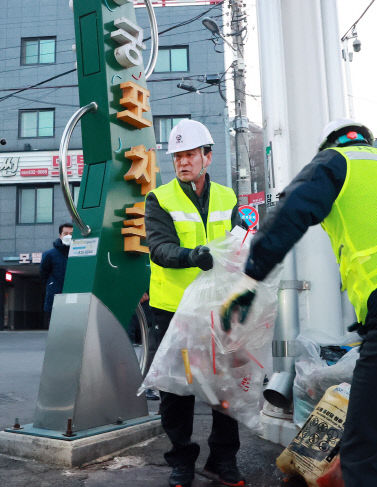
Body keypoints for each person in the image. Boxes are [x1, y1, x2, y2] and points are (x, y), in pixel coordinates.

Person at [220, 119, 377, 487]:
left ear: (329, 144)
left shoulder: (336, 161)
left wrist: (251, 277)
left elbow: (290, 212)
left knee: (366, 455)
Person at [145, 119, 247, 487]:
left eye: (190, 154)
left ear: (208, 156)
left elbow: (240, 240)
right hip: (173, 308)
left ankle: (223, 460)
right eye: (177, 156)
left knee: (225, 386)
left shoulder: (229, 197)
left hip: (219, 306)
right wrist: (193, 255)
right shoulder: (159, 198)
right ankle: (182, 461)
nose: (183, 162)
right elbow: (159, 247)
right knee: (176, 389)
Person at [39, 222, 73, 329]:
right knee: (56, 329)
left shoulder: (81, 253)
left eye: (72, 233)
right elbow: (43, 274)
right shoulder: (50, 254)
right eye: (65, 233)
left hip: (75, 298)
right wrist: (51, 286)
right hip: (55, 298)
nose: (69, 236)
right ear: (60, 235)